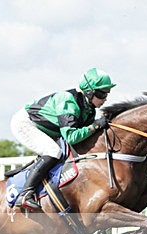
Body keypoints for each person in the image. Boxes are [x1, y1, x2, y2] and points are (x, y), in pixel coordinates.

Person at [10, 67, 116, 211]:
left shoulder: (89, 109)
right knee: (53, 151)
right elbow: (72, 137)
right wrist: (95, 126)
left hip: (48, 129)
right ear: (90, 92)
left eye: (106, 94)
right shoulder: (68, 101)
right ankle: (25, 194)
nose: (105, 98)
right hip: (26, 123)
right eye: (102, 94)